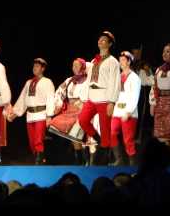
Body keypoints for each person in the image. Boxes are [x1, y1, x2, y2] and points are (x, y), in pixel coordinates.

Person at [78, 31, 121, 165]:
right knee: (82, 120)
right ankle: (98, 138)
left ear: (109, 44)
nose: (100, 41)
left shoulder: (113, 61)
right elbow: (88, 77)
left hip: (104, 98)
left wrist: (112, 102)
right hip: (92, 97)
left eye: (104, 40)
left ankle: (104, 160)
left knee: (106, 130)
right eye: (99, 39)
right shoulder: (94, 60)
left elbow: (116, 82)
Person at [8, 58, 55, 165]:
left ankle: (39, 163)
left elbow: (50, 98)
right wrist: (15, 113)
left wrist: (49, 115)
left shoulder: (47, 82)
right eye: (34, 66)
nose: (34, 68)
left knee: (38, 140)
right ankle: (39, 160)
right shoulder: (29, 82)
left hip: (41, 115)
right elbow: (23, 99)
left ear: (43, 69)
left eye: (37, 66)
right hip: (30, 115)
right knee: (32, 142)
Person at [48, 58, 88, 164]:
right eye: (73, 65)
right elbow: (59, 92)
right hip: (71, 110)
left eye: (77, 65)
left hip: (83, 110)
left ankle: (83, 160)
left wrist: (83, 103)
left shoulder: (88, 81)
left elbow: (93, 94)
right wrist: (58, 104)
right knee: (57, 124)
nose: (74, 68)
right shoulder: (69, 80)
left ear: (83, 67)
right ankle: (80, 160)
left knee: (76, 135)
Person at [110, 51, 141, 166]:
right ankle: (119, 159)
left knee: (128, 140)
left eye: (123, 60)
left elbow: (135, 96)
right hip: (117, 111)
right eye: (120, 60)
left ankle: (132, 164)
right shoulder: (118, 76)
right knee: (111, 133)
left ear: (129, 61)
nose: (121, 62)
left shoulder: (134, 78)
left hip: (129, 113)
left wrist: (128, 111)